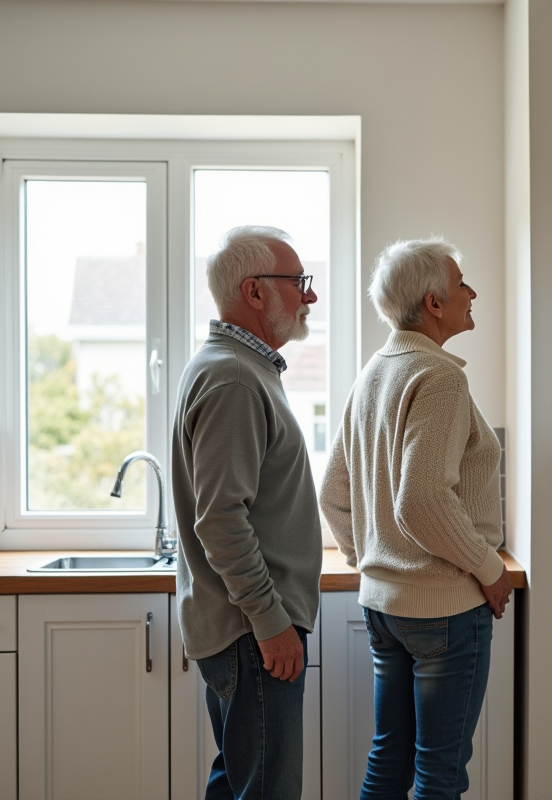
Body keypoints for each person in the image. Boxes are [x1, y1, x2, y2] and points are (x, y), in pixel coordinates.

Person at [320, 237, 511, 800]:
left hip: (384, 608)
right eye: (461, 285)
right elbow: (422, 501)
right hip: (445, 610)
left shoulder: (374, 372)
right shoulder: (440, 377)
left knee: (389, 761)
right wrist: (489, 568)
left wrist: (374, 561)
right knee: (439, 775)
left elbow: (333, 494)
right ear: (433, 302)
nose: (471, 293)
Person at [171, 225, 324, 800]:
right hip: (253, 631)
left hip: (247, 629)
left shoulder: (240, 367)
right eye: (298, 282)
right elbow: (221, 521)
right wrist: (271, 622)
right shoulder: (234, 376)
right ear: (255, 291)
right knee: (264, 791)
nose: (308, 296)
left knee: (239, 781)